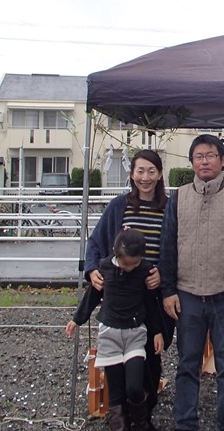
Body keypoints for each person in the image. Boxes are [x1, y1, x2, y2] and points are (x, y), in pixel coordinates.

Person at [159, 134, 224, 431]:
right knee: (187, 363)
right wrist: (168, 291)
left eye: (211, 155)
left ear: (222, 160)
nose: (204, 161)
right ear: (192, 161)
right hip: (187, 294)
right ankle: (185, 423)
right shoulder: (178, 197)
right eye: (199, 156)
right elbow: (167, 247)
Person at [84, 149, 173, 427]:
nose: (145, 177)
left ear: (160, 174)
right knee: (116, 358)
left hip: (153, 295)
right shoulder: (119, 206)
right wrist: (92, 270)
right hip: (122, 295)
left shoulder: (170, 208)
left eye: (151, 171)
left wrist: (164, 275)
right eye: (140, 171)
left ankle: (144, 413)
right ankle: (119, 414)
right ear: (132, 174)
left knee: (150, 355)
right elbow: (96, 242)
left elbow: (180, 248)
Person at [67, 229, 165, 431]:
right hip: (110, 334)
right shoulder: (105, 267)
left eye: (134, 264)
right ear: (115, 252)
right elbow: (92, 296)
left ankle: (141, 422)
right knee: (116, 392)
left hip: (135, 334)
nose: (130, 268)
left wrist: (157, 332)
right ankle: (119, 426)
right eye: (126, 264)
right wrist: (77, 319)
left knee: (135, 387)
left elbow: (151, 304)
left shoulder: (145, 270)